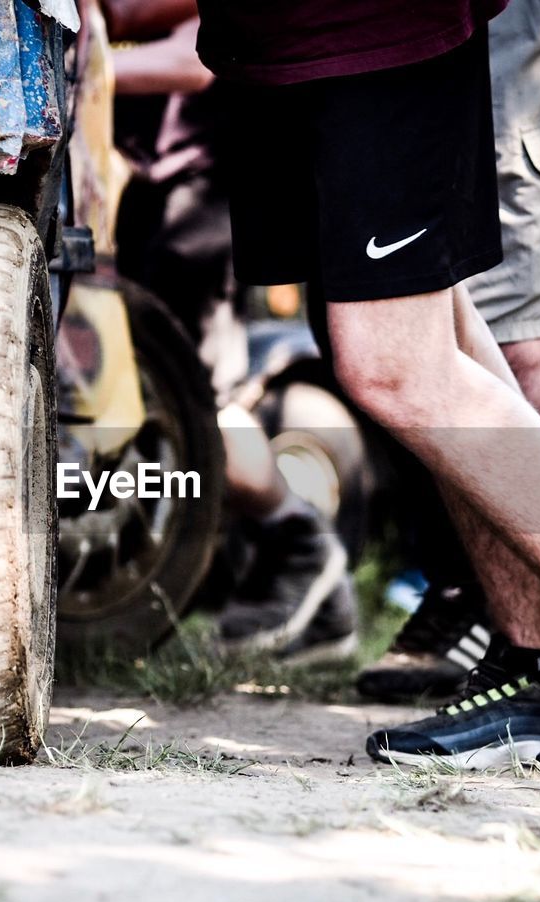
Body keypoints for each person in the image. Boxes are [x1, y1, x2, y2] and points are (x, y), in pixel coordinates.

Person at [194, 0, 540, 780]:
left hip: (375, 30)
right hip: (275, 42)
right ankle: (539, 666)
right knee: (425, 326)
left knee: (396, 365)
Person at [105, 0, 358, 663]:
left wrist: (79, 66)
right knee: (145, 401)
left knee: (197, 403)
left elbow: (193, 61)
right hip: (133, 187)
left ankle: (297, 539)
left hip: (190, 191)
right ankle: (323, 601)